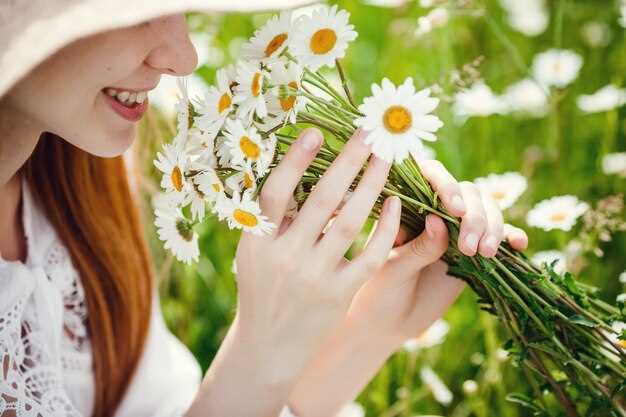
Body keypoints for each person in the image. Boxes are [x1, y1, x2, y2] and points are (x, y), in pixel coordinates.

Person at [0, 1, 529, 416]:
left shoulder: (76, 193)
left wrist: (371, 329)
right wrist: (258, 352)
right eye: (128, 7)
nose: (182, 56)